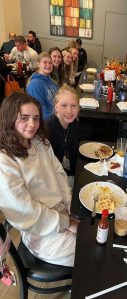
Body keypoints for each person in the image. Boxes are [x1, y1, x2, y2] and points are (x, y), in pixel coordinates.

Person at [0, 92, 78, 266]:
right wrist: (67, 222)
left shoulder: (40, 142)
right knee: (92, 250)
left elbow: (59, 174)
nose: (32, 124)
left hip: (62, 212)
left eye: (36, 118)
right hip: (41, 231)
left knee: (98, 233)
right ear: (9, 118)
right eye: (24, 118)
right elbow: (26, 211)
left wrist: (69, 206)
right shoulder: (4, 161)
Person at [47, 85, 79, 176]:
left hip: (66, 172)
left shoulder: (73, 123)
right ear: (56, 107)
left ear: (78, 108)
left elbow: (73, 151)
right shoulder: (48, 129)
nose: (69, 111)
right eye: (64, 105)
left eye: (73, 105)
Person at [27, 52, 58, 120]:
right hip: (47, 123)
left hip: (57, 117)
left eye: (50, 63)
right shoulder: (34, 84)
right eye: (45, 62)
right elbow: (41, 112)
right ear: (38, 64)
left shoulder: (53, 82)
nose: (48, 65)